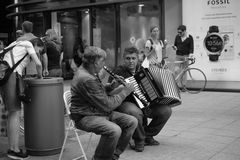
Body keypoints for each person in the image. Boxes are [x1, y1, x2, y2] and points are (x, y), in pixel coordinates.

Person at [70, 46, 138, 160]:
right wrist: (125, 92)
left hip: (97, 111)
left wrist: (111, 86)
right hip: (85, 116)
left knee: (132, 121)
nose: (104, 64)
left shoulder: (89, 72)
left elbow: (97, 93)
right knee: (114, 130)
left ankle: (113, 156)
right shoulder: (86, 78)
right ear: (95, 62)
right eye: (103, 61)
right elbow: (108, 105)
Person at [110, 46, 172, 152]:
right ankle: (139, 140)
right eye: (128, 58)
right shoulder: (118, 71)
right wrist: (118, 86)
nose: (131, 61)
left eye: (133, 58)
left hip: (145, 103)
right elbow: (111, 91)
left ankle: (147, 135)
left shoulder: (143, 69)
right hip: (126, 102)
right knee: (134, 112)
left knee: (166, 110)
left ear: (138, 58)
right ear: (123, 59)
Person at [0, 38, 44, 159]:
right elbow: (38, 64)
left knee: (12, 113)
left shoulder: (17, 43)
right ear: (36, 45)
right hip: (11, 76)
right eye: (39, 51)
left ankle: (12, 147)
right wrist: (40, 77)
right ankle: (14, 149)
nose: (38, 53)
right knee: (15, 112)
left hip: (5, 76)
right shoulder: (28, 44)